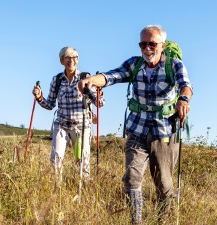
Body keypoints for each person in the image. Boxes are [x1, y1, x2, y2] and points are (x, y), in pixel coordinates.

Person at [78, 25, 193, 224]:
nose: (147, 48)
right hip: (137, 130)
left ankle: (161, 221)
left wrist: (183, 99)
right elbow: (111, 76)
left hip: (164, 132)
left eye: (152, 44)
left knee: (164, 185)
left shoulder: (174, 65)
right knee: (131, 178)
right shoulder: (135, 64)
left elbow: (186, 85)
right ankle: (136, 221)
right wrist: (91, 81)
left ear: (162, 45)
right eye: (143, 44)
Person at [32, 46, 104, 183]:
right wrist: (39, 97)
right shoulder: (57, 80)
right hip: (61, 125)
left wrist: (98, 94)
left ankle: (84, 188)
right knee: (56, 157)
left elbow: (99, 103)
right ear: (61, 61)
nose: (72, 60)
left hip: (81, 126)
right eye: (68, 57)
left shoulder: (86, 78)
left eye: (75, 57)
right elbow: (50, 104)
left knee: (82, 160)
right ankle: (56, 188)